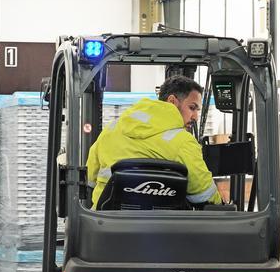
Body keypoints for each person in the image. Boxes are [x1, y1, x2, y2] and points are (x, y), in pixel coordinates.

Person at [86, 75, 223, 207]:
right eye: (192, 108)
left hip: (105, 221)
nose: (196, 117)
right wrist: (222, 205)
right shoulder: (183, 142)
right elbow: (204, 194)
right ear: (172, 101)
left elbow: (90, 180)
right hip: (163, 226)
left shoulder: (112, 128)